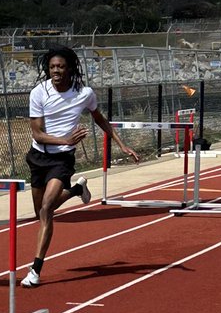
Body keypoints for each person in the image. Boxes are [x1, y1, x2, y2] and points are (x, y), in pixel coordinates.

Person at [22, 46, 139, 287]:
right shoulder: (39, 92)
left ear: (70, 69)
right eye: (52, 67)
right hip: (38, 157)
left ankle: (35, 270)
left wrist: (122, 145)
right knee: (40, 211)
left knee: (47, 209)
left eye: (61, 67)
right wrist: (65, 139)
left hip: (62, 159)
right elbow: (37, 133)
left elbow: (100, 119)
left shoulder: (84, 94)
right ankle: (76, 190)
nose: (56, 71)